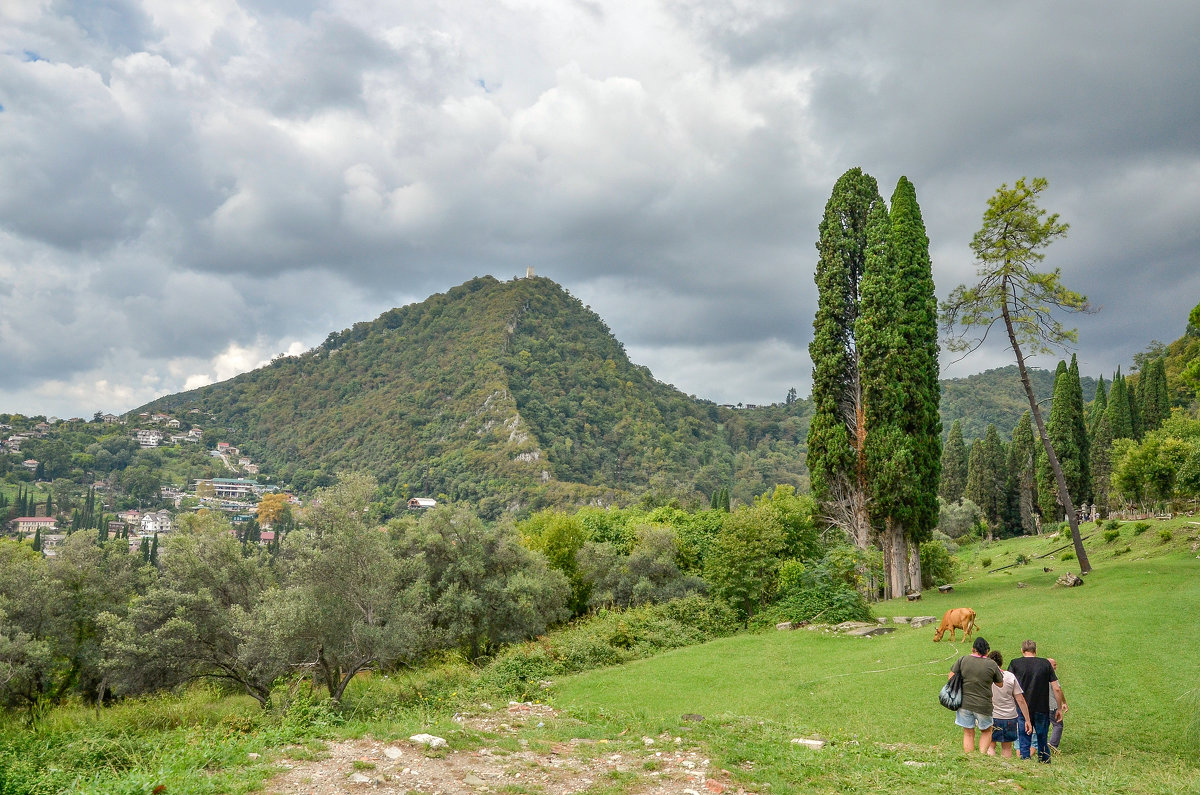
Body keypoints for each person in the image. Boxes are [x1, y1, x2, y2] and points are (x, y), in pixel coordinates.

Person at [1008, 640, 1067, 762]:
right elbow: (1056, 688)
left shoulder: (1015, 663)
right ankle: (1044, 759)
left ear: (1022, 650)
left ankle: (1025, 759)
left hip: (1022, 706)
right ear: (1036, 650)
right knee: (1042, 736)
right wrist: (1059, 708)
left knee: (1024, 734)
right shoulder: (1045, 664)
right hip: (1041, 706)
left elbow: (1008, 684)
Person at [948, 636, 1003, 754]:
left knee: (968, 732)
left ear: (973, 649)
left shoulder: (963, 660)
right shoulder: (991, 664)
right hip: (983, 704)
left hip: (964, 703)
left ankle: (970, 757)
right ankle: (982, 755)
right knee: (987, 731)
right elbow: (1000, 683)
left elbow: (951, 676)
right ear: (987, 651)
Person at [986, 649, 1033, 757]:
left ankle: (990, 767)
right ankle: (1005, 769)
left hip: (991, 715)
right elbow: (1020, 699)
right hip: (1009, 717)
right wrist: (1027, 719)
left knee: (990, 745)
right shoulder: (1010, 676)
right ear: (1001, 663)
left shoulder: (986, 676)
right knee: (1006, 747)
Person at [1047, 658, 1064, 752]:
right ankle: (1053, 744)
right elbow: (1058, 690)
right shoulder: (1053, 676)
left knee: (1043, 724)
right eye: (1054, 665)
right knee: (1058, 725)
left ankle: (1038, 744)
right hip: (1052, 705)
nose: (1056, 667)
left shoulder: (1038, 674)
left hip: (1040, 705)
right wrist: (1062, 705)